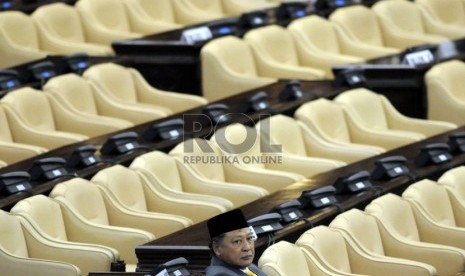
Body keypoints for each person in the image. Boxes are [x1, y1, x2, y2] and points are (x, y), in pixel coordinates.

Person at [205, 209, 267, 276]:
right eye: (237, 241)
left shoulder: (248, 267)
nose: (247, 247)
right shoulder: (220, 274)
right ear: (217, 248)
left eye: (249, 238)